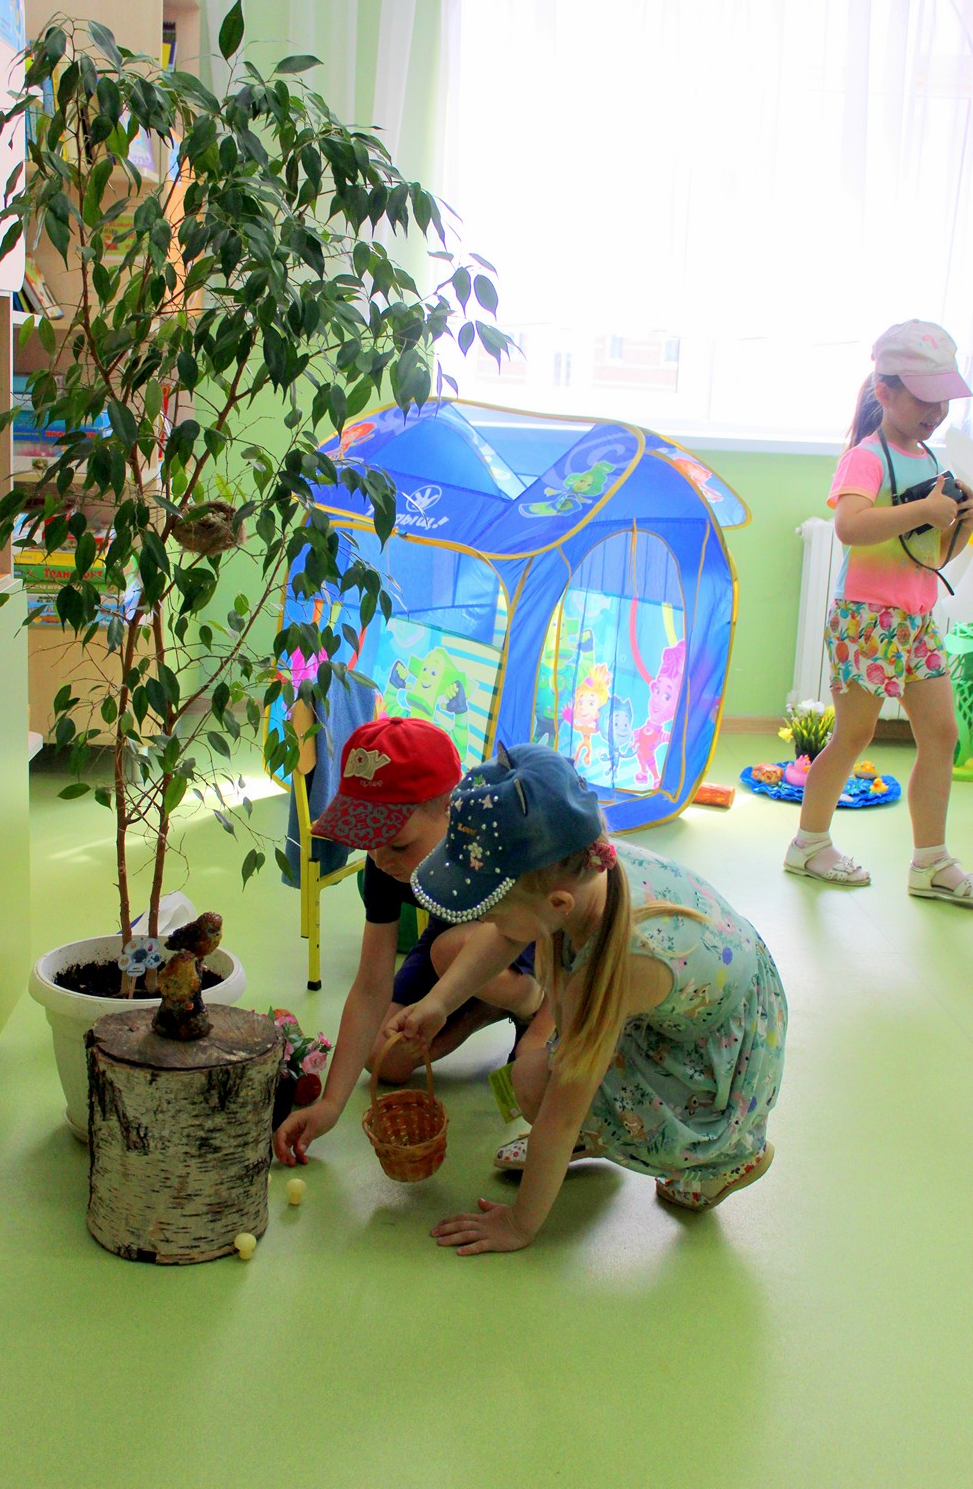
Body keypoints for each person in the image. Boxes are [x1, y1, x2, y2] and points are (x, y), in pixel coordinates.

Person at [391, 744, 787, 1255]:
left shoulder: (614, 964)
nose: (485, 923)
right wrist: (440, 1003)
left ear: (557, 905)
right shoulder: (584, 871)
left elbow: (560, 1114)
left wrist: (519, 1225)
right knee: (537, 1074)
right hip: (695, 997)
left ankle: (724, 1160)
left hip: (715, 1056)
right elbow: (508, 933)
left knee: (536, 1085)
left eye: (490, 911)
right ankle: (596, 1132)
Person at [272, 715, 549, 1166]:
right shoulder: (383, 862)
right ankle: (485, 1006)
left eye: (397, 844)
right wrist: (331, 1105)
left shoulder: (493, 846)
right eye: (369, 842)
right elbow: (370, 986)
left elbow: (557, 938)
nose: (380, 859)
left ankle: (526, 1003)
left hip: (534, 956)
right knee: (386, 1057)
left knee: (449, 952)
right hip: (453, 949)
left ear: (451, 809)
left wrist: (537, 1027)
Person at [783, 318, 973, 902]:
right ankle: (809, 844)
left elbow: (931, 555)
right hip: (866, 617)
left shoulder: (931, 460)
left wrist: (961, 524)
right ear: (884, 392)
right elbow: (850, 526)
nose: (936, 411)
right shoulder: (866, 457)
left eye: (943, 398)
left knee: (940, 735)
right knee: (855, 734)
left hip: (915, 618)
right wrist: (926, 511)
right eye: (924, 397)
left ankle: (931, 862)